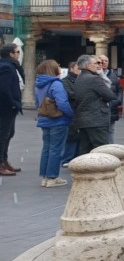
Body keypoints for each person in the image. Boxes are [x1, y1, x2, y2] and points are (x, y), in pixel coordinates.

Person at [34, 59, 74, 188]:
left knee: (46, 148)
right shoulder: (56, 84)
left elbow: (37, 103)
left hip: (44, 120)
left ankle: (45, 177)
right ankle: (52, 177)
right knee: (56, 149)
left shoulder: (38, 84)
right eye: (58, 66)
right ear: (53, 69)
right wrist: (71, 114)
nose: (60, 68)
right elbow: (62, 103)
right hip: (58, 120)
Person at [73, 54, 117, 154]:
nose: (98, 65)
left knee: (85, 149)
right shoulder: (94, 79)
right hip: (96, 119)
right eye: (96, 63)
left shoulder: (79, 78)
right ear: (88, 65)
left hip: (83, 119)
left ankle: (84, 165)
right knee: (101, 149)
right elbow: (110, 95)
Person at [0, 44, 24, 176]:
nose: (19, 54)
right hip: (6, 107)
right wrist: (13, 103)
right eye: (17, 51)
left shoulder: (11, 65)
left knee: (9, 134)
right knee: (3, 135)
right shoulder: (6, 67)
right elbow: (4, 88)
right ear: (11, 54)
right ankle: (1, 163)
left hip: (10, 107)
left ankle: (4, 161)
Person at [60, 61, 81, 167]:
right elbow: (70, 94)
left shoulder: (82, 80)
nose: (80, 70)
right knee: (71, 135)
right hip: (71, 110)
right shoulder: (65, 81)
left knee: (79, 135)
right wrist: (82, 94)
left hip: (80, 111)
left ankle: (76, 157)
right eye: (78, 68)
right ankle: (67, 158)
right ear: (72, 68)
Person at [99, 55, 123, 144]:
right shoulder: (95, 74)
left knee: (110, 130)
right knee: (100, 131)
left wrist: (117, 101)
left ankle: (110, 149)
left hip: (111, 107)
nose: (104, 62)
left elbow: (119, 91)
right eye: (102, 60)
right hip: (98, 108)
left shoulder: (113, 76)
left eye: (106, 61)